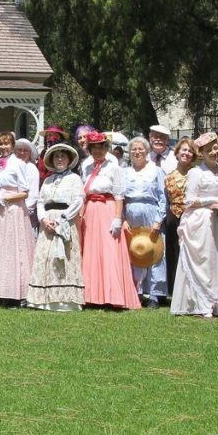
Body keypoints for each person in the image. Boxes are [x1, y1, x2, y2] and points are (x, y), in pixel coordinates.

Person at [171, 133, 218, 317]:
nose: (214, 152)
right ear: (201, 152)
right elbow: (189, 200)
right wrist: (214, 200)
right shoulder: (196, 172)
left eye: (216, 148)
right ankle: (202, 303)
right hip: (201, 221)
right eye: (209, 149)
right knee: (203, 260)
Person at [79, 132, 140, 309]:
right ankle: (91, 295)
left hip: (107, 208)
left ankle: (110, 295)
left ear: (106, 149)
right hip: (90, 209)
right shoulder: (86, 167)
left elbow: (119, 195)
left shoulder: (114, 168)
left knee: (108, 252)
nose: (97, 151)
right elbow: (84, 191)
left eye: (101, 148)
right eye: (94, 148)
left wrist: (117, 218)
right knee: (91, 252)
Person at [26, 143, 85, 311]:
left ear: (69, 159)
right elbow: (40, 202)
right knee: (46, 257)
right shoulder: (48, 180)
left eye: (63, 156)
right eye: (57, 156)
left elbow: (78, 200)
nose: (60, 159)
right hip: (48, 222)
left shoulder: (74, 179)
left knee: (63, 258)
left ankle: (65, 301)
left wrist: (63, 219)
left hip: (65, 220)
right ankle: (43, 300)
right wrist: (44, 219)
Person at [0, 131, 36, 306]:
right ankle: (2, 291)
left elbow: (24, 192)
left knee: (14, 250)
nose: (3, 147)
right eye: (0, 144)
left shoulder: (18, 164)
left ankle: (18, 292)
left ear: (12, 145)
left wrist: (5, 198)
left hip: (13, 210)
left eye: (6, 144)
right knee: (1, 250)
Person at [124, 136, 168, 308]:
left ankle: (156, 294)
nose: (137, 152)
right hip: (131, 213)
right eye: (133, 149)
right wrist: (122, 218)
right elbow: (120, 196)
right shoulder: (125, 172)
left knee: (154, 251)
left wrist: (158, 220)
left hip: (151, 211)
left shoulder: (156, 171)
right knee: (135, 250)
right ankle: (138, 291)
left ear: (147, 151)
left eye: (140, 148)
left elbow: (163, 198)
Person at [163, 137, 197, 296]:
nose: (187, 153)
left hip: (192, 217)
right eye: (184, 150)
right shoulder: (168, 176)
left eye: (190, 151)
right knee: (174, 252)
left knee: (192, 252)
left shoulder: (197, 174)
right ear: (177, 153)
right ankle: (175, 290)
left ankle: (193, 288)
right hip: (173, 218)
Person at [13, 138, 41, 230]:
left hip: (24, 213)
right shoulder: (11, 166)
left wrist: (25, 211)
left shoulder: (31, 168)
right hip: (10, 211)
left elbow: (33, 195)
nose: (22, 153)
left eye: (25, 151)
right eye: (19, 150)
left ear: (30, 154)